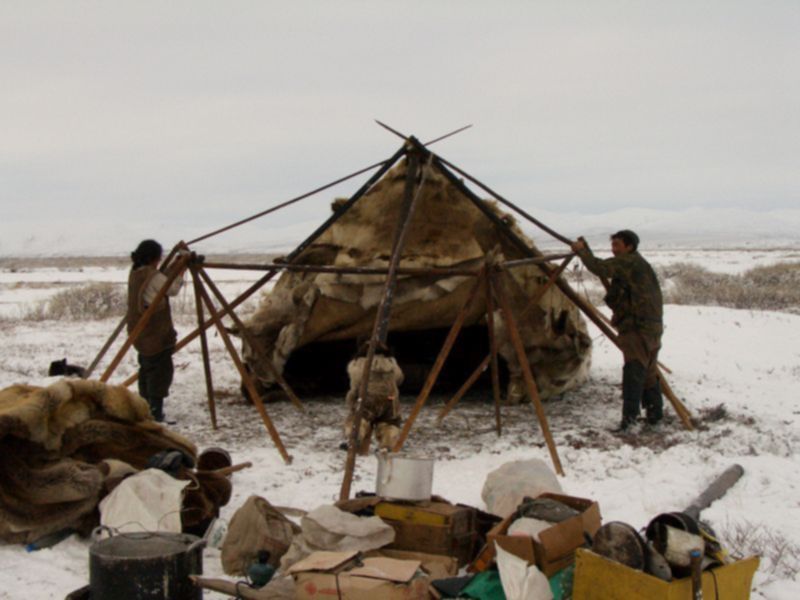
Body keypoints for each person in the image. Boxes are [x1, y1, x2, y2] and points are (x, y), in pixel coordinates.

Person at [571, 230, 664, 430]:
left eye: (617, 246)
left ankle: (630, 421)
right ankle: (655, 414)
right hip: (651, 327)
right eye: (612, 245)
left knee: (634, 371)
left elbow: (600, 267)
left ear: (629, 247)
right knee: (648, 371)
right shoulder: (637, 264)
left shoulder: (628, 262)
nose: (614, 250)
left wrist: (583, 253)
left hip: (638, 327)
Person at [126, 240, 184, 422]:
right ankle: (154, 412)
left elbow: (162, 280)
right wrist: (181, 269)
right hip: (155, 331)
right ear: (154, 257)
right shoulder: (152, 275)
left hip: (139, 330)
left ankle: (145, 408)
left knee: (146, 366)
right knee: (160, 370)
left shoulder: (136, 272)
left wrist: (175, 264)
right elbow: (171, 288)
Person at [343, 342, 404, 453]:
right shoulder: (391, 364)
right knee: (389, 423)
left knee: (358, 418)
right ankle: (387, 445)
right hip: (389, 399)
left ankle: (353, 438)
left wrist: (351, 399)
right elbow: (399, 379)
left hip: (368, 399)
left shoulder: (359, 364)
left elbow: (355, 384)